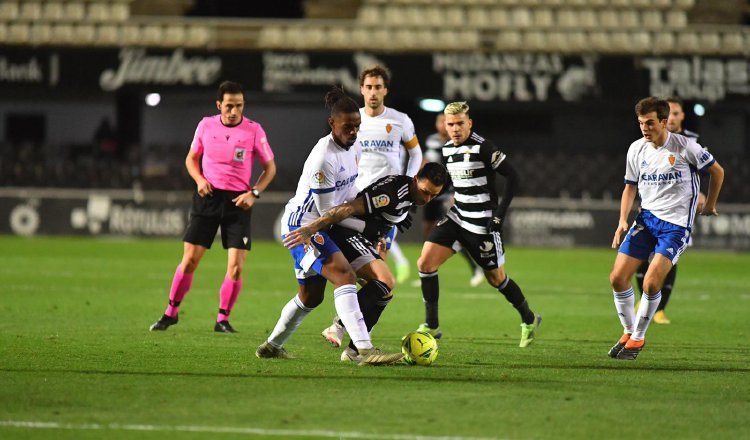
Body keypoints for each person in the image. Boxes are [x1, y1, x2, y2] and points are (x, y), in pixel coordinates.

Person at [255, 86, 403, 366]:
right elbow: (327, 213)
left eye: (357, 126)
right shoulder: (324, 158)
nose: (354, 132)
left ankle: (272, 346)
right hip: (305, 229)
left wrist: (372, 212)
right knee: (345, 277)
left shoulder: (354, 145)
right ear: (332, 124)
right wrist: (366, 229)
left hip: (330, 224)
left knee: (310, 297)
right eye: (347, 127)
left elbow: (350, 191)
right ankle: (364, 350)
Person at [283, 163, 448, 361]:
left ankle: (353, 351)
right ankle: (339, 327)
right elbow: (348, 209)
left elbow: (384, 216)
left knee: (383, 291)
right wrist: (311, 228)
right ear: (415, 180)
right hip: (345, 234)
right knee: (386, 280)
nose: (427, 199)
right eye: (425, 192)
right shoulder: (391, 194)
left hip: (362, 239)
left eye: (433, 195)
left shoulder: (409, 195)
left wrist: (384, 229)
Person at [149, 81, 276, 333]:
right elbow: (191, 158)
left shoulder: (254, 130)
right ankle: (171, 312)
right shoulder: (206, 125)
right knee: (189, 261)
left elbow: (270, 168)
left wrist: (254, 193)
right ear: (219, 105)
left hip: (238, 202)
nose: (234, 111)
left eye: (239, 106)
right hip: (207, 198)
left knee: (236, 266)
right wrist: (199, 180)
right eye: (229, 106)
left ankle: (222, 319)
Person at [415, 101, 542, 347]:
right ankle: (432, 325)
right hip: (457, 217)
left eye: (459, 123)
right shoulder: (447, 149)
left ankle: (529, 318)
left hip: (482, 225)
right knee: (425, 263)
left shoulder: (483, 147)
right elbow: (453, 182)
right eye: (450, 124)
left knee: (496, 279)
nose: (454, 129)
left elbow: (513, 177)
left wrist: (499, 216)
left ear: (469, 123)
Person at [609, 96, 724, 360]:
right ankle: (629, 332)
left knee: (650, 283)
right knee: (617, 278)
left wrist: (710, 205)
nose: (644, 128)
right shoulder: (636, 149)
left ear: (663, 122)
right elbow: (630, 187)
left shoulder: (686, 147)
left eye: (649, 123)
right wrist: (622, 221)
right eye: (640, 123)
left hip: (675, 227)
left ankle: (637, 339)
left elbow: (717, 171)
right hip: (646, 220)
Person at [633, 96, 701, 325]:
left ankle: (659, 307)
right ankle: (644, 299)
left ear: (680, 117)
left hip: (678, 213)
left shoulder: (690, 141)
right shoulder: (645, 143)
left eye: (675, 113)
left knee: (669, 259)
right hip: (652, 210)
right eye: (668, 113)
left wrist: (704, 197)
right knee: (641, 255)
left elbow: (706, 169)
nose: (671, 117)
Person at [355, 65, 423, 284]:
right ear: (361, 90)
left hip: (387, 202)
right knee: (353, 267)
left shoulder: (400, 120)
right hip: (357, 199)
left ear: (385, 90)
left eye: (378, 87)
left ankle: (353, 317)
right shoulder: (352, 120)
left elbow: (416, 154)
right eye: (369, 87)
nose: (373, 92)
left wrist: (409, 187)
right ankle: (350, 315)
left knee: (377, 271)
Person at [422, 112, 484, 288]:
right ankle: (429, 269)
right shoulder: (432, 140)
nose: (442, 125)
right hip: (431, 191)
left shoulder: (456, 142)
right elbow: (427, 160)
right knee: (428, 230)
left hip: (448, 192)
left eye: (445, 121)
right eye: (440, 121)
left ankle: (476, 268)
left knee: (453, 232)